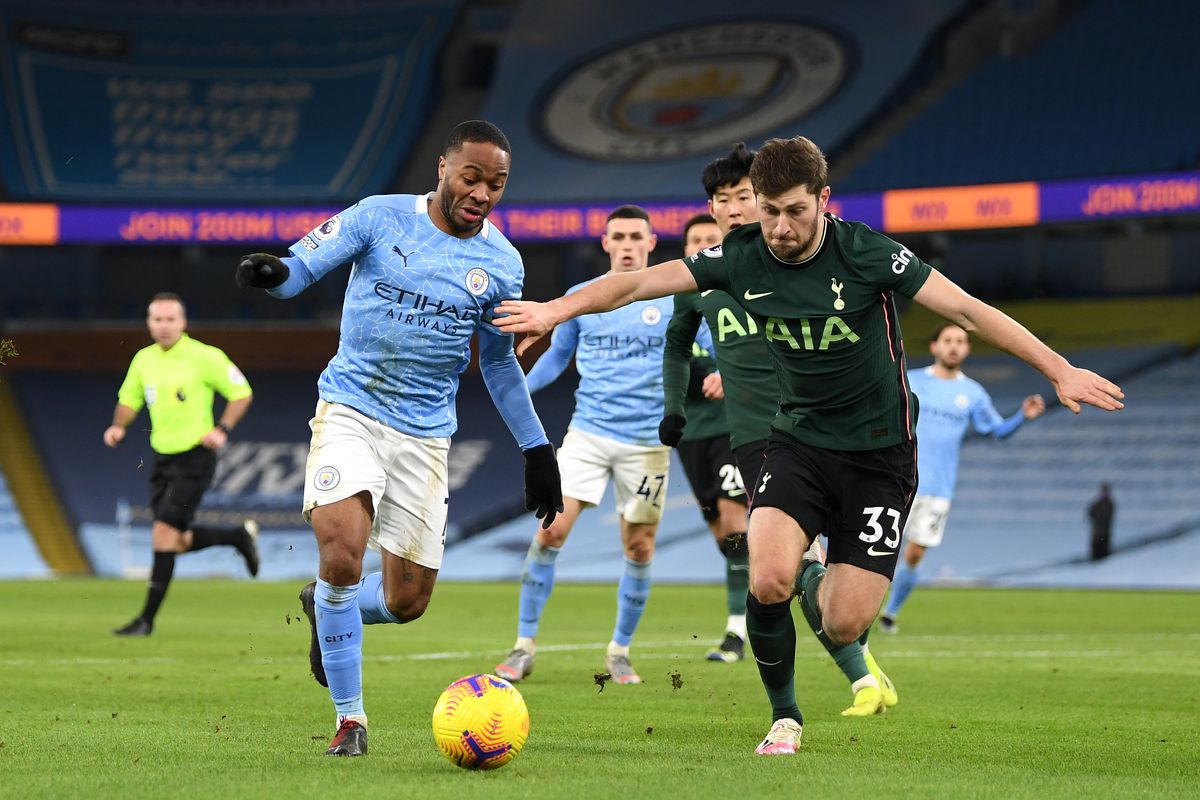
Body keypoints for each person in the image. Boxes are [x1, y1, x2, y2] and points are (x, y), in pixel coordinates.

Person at [492, 135, 1124, 755]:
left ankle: (826, 591)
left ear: (825, 200)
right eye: (769, 211)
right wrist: (555, 311)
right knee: (767, 578)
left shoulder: (867, 253)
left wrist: (1058, 368)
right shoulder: (739, 256)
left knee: (845, 621)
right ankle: (785, 717)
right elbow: (633, 286)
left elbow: (968, 310)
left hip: (881, 454)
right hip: (798, 441)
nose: (781, 226)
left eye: (796, 210)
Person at [234, 120, 563, 757]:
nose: (483, 193)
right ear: (443, 167)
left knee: (407, 601)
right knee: (341, 553)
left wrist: (537, 448)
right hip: (352, 408)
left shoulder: (501, 262)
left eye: (497, 184)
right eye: (472, 177)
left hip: (426, 435)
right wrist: (272, 273)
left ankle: (326, 608)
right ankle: (351, 721)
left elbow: (496, 364)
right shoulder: (380, 218)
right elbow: (301, 268)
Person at [663, 144, 896, 717]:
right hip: (751, 433)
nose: (737, 209)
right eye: (726, 200)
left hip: (810, 428)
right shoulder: (712, 274)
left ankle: (853, 673)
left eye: (747, 197)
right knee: (773, 564)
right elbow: (675, 341)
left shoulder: (789, 261)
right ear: (711, 209)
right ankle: (856, 674)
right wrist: (678, 402)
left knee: (783, 565)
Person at [493, 205, 676, 687]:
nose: (630, 244)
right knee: (550, 532)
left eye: (638, 236)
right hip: (589, 434)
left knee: (638, 547)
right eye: (620, 236)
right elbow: (558, 355)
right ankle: (523, 646)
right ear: (606, 243)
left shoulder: (674, 299)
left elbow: (705, 352)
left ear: (652, 243)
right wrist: (521, 393)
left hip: (646, 445)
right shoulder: (583, 298)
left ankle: (620, 651)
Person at [103, 293, 259, 637]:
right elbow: (128, 399)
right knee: (175, 540)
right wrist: (118, 426)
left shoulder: (205, 356)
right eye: (157, 320)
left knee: (162, 534)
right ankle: (235, 536)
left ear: (183, 322)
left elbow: (241, 392)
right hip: (162, 459)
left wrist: (223, 429)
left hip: (195, 457)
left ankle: (145, 620)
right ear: (148, 323)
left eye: (170, 319)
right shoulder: (143, 360)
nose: (164, 326)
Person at [878, 323, 1046, 633]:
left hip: (938, 489)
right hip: (896, 481)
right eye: (948, 340)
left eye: (961, 341)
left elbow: (997, 431)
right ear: (935, 347)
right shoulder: (910, 381)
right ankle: (858, 608)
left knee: (914, 553)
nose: (954, 346)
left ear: (967, 349)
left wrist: (1022, 416)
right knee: (879, 549)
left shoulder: (972, 393)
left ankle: (890, 612)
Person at [1088, 482, 1115, 560]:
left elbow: (1106, 516)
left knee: (1103, 552)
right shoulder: (1097, 502)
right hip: (1097, 531)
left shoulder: (1109, 503)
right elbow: (1090, 513)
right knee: (1095, 550)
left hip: (1104, 531)